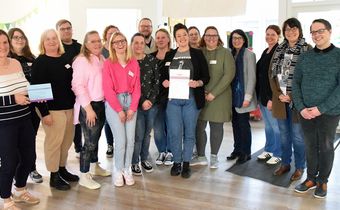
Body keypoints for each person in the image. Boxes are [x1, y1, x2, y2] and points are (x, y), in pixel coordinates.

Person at [293, 19, 340, 199]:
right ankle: (311, 178)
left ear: (329, 31)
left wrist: (321, 108)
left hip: (329, 112)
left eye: (320, 31)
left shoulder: (338, 55)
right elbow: (295, 83)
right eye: (313, 32)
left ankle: (323, 181)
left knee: (326, 147)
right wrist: (301, 107)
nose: (316, 35)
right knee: (310, 146)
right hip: (305, 112)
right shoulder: (305, 56)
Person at [31, 29, 79, 191]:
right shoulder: (41, 61)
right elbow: (36, 89)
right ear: (43, 43)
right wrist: (44, 114)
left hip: (69, 107)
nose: (51, 41)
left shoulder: (65, 59)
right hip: (52, 110)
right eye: (48, 39)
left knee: (66, 141)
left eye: (54, 38)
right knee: (54, 142)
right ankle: (54, 175)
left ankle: (62, 169)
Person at [161, 23, 209, 178]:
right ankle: (177, 162)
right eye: (179, 36)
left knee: (189, 132)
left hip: (191, 99)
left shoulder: (197, 54)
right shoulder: (170, 55)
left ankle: (186, 163)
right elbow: (163, 76)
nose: (182, 38)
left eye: (184, 35)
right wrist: (165, 82)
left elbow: (206, 76)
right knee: (175, 133)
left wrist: (198, 83)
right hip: (173, 100)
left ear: (189, 36)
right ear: (175, 39)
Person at [0, 29, 40, 210]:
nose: (3, 47)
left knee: (29, 157)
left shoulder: (16, 62)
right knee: (9, 163)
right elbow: (14, 95)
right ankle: (6, 199)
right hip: (5, 125)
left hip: (24, 119)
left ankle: (20, 189)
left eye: (5, 42)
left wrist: (39, 93)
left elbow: (25, 87)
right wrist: (12, 98)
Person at [269, 17, 311, 181]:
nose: (290, 32)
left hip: (298, 102)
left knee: (298, 137)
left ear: (299, 30)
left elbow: (309, 78)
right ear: (284, 32)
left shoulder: (307, 49)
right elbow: (271, 74)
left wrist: (291, 96)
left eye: (294, 29)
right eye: (287, 29)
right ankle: (285, 163)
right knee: (284, 135)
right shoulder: (279, 49)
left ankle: (300, 167)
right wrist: (278, 94)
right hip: (280, 101)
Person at [72, 31, 111, 190]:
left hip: (101, 104)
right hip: (89, 106)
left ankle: (95, 166)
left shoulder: (101, 58)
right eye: (92, 41)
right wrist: (88, 109)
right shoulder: (81, 61)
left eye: (98, 41)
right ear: (86, 44)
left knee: (96, 139)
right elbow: (77, 86)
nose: (97, 44)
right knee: (89, 143)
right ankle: (84, 175)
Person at [191, 26, 235, 169]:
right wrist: (203, 91)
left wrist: (213, 93)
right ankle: (201, 156)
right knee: (199, 126)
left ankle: (214, 156)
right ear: (204, 37)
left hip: (220, 96)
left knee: (216, 126)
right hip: (201, 95)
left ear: (218, 37)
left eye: (214, 35)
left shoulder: (225, 53)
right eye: (208, 35)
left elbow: (228, 75)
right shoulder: (199, 52)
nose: (211, 38)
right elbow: (196, 73)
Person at [103, 32, 141, 187]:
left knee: (130, 140)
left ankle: (127, 169)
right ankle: (118, 170)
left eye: (122, 41)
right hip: (114, 103)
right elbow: (107, 89)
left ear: (126, 43)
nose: (120, 44)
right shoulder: (108, 63)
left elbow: (137, 87)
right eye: (116, 42)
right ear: (111, 45)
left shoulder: (133, 62)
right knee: (120, 140)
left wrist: (132, 108)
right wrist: (119, 109)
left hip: (131, 100)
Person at [8, 28, 43, 183]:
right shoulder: (7, 60)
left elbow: (38, 82)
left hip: (32, 106)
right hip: (14, 107)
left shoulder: (32, 58)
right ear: (9, 41)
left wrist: (42, 99)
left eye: (22, 37)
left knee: (30, 139)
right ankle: (17, 172)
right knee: (15, 143)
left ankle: (31, 168)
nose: (20, 40)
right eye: (15, 37)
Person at [130, 33, 159, 176]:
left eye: (142, 43)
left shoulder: (152, 60)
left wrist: (151, 101)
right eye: (136, 42)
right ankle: (134, 161)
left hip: (151, 105)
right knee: (138, 135)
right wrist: (142, 101)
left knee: (147, 134)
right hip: (136, 105)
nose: (139, 45)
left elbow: (156, 83)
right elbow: (130, 86)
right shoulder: (129, 63)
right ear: (131, 44)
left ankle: (144, 158)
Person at [226, 29, 257, 164]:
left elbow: (252, 77)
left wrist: (247, 97)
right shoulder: (230, 54)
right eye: (234, 38)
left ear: (244, 40)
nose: (236, 40)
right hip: (232, 95)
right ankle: (237, 150)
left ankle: (246, 152)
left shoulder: (249, 55)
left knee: (244, 125)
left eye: (239, 38)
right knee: (235, 124)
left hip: (244, 96)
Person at [255, 25, 282, 165]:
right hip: (262, 95)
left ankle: (278, 153)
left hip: (271, 97)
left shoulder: (278, 51)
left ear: (279, 36)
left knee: (276, 126)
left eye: (273, 34)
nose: (269, 37)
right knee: (268, 126)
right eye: (267, 34)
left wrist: (273, 98)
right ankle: (269, 149)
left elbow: (278, 77)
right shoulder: (266, 50)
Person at [56, 19, 82, 158]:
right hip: (63, 92)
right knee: (64, 125)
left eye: (68, 28)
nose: (66, 31)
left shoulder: (80, 47)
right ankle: (61, 152)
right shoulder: (56, 49)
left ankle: (79, 147)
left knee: (77, 121)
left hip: (80, 91)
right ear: (58, 31)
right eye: (63, 29)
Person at [151, 28, 175, 166]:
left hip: (172, 97)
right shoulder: (151, 57)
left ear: (168, 39)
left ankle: (171, 152)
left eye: (163, 37)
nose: (160, 40)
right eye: (158, 37)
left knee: (171, 126)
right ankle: (162, 151)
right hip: (155, 98)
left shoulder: (174, 54)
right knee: (158, 127)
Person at [101, 25, 119, 158]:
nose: (113, 35)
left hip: (120, 90)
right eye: (110, 33)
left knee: (119, 119)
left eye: (115, 33)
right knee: (108, 120)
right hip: (106, 90)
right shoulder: (100, 51)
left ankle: (119, 144)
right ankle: (110, 144)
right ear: (106, 35)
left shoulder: (120, 49)